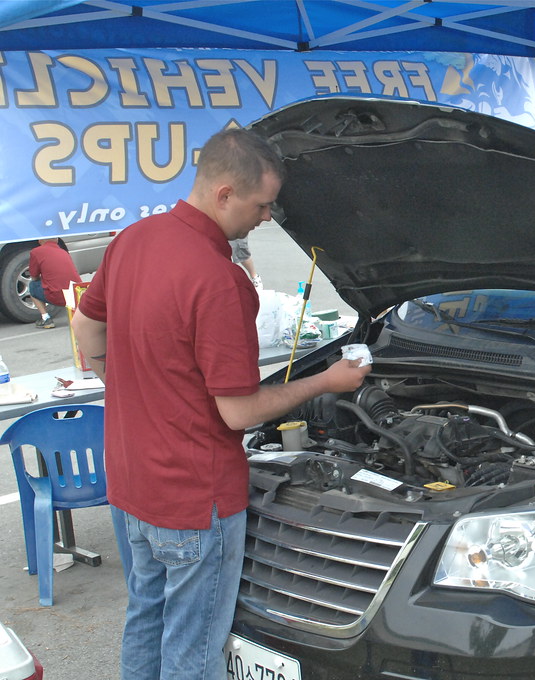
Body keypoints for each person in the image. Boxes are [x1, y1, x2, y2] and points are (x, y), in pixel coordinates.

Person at [71, 128, 371, 680]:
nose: (265, 218)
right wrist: (325, 382)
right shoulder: (220, 281)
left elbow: (88, 327)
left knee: (146, 617)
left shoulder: (132, 240)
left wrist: (132, 385)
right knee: (193, 647)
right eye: (261, 206)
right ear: (225, 193)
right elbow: (238, 412)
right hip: (193, 498)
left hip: (132, 481)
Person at [28, 237, 81, 328]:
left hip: (56, 296)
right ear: (57, 240)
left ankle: (46, 318)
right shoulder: (63, 252)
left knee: (32, 286)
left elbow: (34, 276)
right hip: (75, 295)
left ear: (40, 241)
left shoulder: (36, 252)